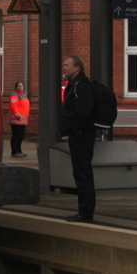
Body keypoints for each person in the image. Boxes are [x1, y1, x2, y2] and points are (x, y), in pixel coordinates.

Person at [61, 56, 96, 223]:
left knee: (83, 174)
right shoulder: (74, 85)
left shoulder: (81, 86)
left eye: (67, 65)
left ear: (77, 68)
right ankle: (84, 210)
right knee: (81, 173)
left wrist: (75, 129)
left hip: (81, 135)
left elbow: (83, 111)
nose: (64, 68)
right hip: (79, 134)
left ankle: (86, 212)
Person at [9, 81, 29, 158]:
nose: (21, 87)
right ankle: (14, 152)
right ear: (16, 87)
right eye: (19, 86)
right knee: (16, 136)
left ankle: (19, 151)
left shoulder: (23, 95)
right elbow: (13, 106)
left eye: (21, 86)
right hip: (17, 120)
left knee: (20, 136)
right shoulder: (14, 95)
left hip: (22, 120)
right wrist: (17, 116)